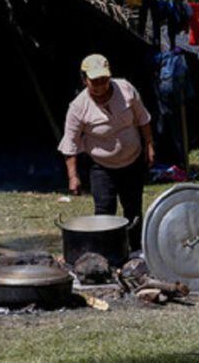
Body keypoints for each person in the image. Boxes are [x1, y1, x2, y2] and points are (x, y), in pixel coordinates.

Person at [58, 54, 154, 250]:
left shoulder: (125, 89)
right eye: (95, 81)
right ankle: (108, 254)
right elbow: (70, 143)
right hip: (102, 167)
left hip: (133, 160)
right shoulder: (78, 107)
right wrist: (73, 176)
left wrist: (150, 145)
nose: (100, 86)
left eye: (104, 79)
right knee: (104, 212)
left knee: (133, 209)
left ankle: (136, 252)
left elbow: (143, 119)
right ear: (84, 80)